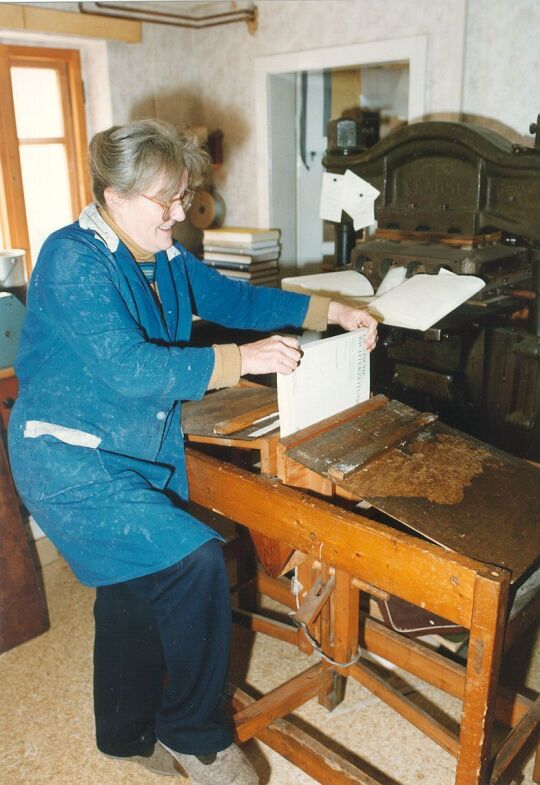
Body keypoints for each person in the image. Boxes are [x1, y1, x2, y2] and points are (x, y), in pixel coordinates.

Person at [8, 119, 377, 784]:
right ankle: (193, 730)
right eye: (166, 200)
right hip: (66, 458)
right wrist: (243, 358)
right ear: (114, 197)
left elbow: (234, 296)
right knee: (196, 561)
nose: (180, 213)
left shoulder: (166, 254)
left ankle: (123, 735)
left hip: (131, 444)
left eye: (182, 197)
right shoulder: (71, 257)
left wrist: (329, 311)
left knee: (132, 587)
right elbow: (126, 366)